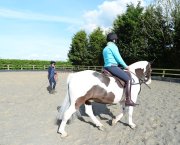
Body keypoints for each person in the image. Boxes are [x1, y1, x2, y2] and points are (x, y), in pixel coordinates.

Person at [102, 32, 137, 106]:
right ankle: (128, 100)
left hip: (106, 67)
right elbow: (119, 58)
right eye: (115, 39)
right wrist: (126, 66)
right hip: (112, 67)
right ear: (114, 40)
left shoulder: (105, 48)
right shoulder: (113, 46)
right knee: (128, 79)